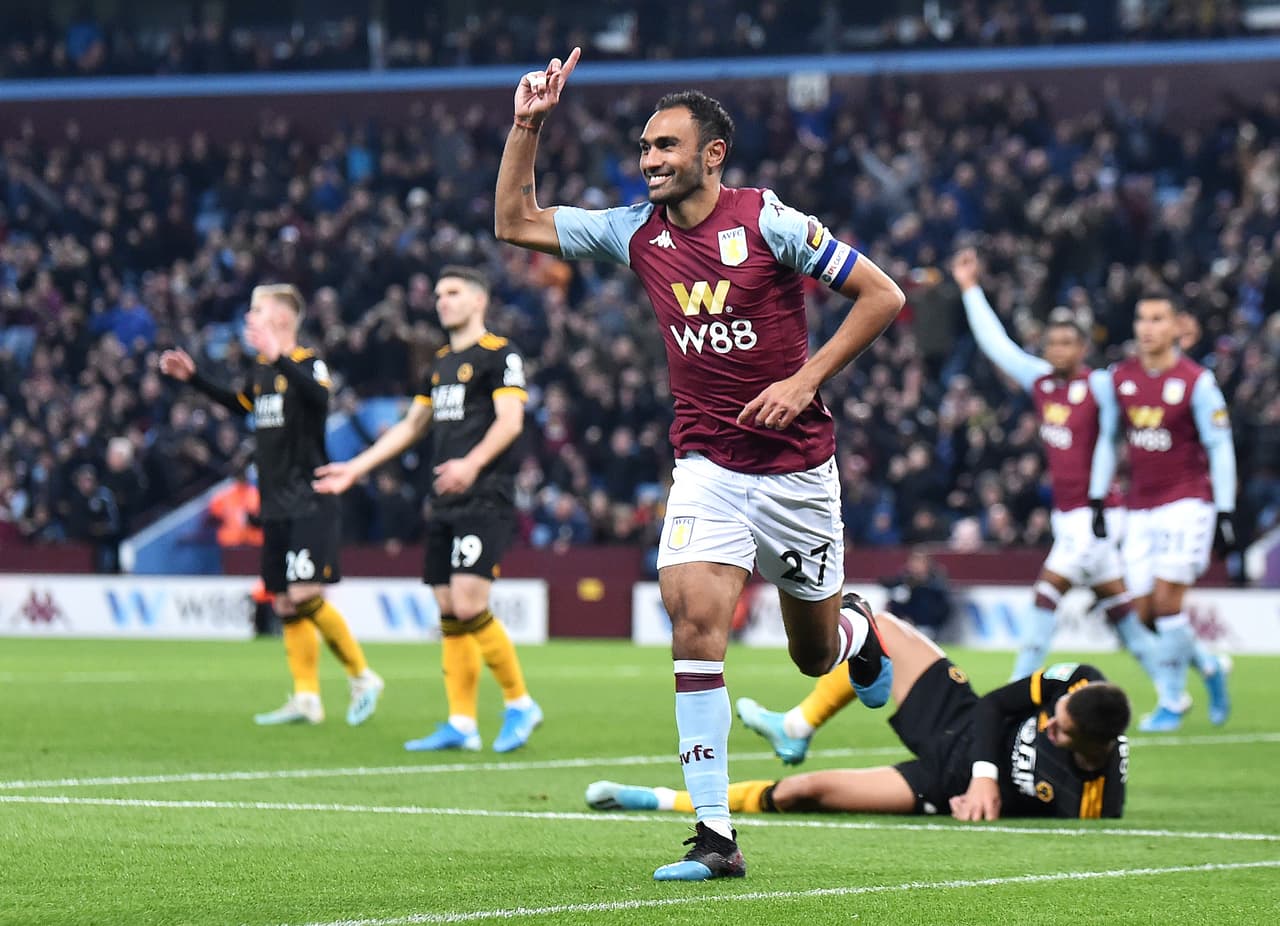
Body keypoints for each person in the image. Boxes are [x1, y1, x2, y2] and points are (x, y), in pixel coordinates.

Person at [494, 49, 905, 880]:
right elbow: (516, 222)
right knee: (691, 625)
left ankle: (858, 633)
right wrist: (526, 125)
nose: (649, 161)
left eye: (665, 147)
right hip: (707, 466)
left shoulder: (770, 222)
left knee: (812, 657)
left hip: (797, 472)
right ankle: (716, 838)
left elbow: (885, 296)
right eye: (644, 148)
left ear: (711, 154)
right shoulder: (633, 232)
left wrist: (805, 379)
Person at [589, 605, 1130, 822]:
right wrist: (990, 776)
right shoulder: (1076, 681)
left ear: (1095, 748)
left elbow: (1026, 810)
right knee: (871, 621)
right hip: (959, 718)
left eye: (1060, 731)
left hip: (942, 784)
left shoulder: (1093, 799)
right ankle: (796, 726)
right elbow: (996, 705)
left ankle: (659, 800)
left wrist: (979, 799)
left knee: (804, 793)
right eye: (1053, 715)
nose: (1049, 725)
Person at [313, 267, 542, 754]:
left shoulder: (500, 355)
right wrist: (354, 468)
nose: (442, 301)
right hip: (444, 498)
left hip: (485, 495)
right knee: (447, 611)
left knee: (468, 603)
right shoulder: (438, 365)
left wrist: (472, 464)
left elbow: (511, 421)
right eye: (438, 294)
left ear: (478, 301)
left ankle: (520, 703)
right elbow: (410, 427)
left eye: (453, 293)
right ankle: (461, 722)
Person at [160, 284, 383, 726]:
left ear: (281, 319)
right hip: (275, 504)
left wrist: (279, 354)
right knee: (283, 603)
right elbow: (241, 403)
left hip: (310, 500)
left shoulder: (307, 363)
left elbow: (320, 399)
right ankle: (306, 698)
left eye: (256, 311)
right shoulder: (261, 372)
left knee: (304, 595)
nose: (248, 319)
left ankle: (362, 676)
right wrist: (195, 379)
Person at [951, 248, 1158, 683]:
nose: (1058, 350)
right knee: (1122, 613)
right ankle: (1190, 676)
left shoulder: (1099, 385)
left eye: (1067, 342)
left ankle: (1014, 691)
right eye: (1052, 343)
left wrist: (1100, 499)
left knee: (1045, 594)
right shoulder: (1041, 381)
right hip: (1069, 517)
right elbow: (997, 346)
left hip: (1097, 514)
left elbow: (1108, 442)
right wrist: (971, 289)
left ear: (1083, 347)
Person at [1088, 293, 1237, 732]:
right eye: (1142, 318)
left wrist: (1225, 510)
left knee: (1168, 603)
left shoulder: (1197, 381)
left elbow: (1219, 446)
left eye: (1158, 319)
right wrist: (1098, 497)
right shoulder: (1121, 378)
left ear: (1177, 327)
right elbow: (1109, 438)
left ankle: (1172, 700)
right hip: (1139, 508)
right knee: (1144, 611)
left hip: (1187, 501)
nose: (1148, 327)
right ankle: (1207, 666)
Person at [879, 549, 953, 640]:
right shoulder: (902, 582)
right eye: (913, 562)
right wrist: (902, 617)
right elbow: (894, 603)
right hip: (903, 624)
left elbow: (942, 608)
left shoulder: (935, 585)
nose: (915, 566)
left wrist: (928, 621)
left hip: (927, 626)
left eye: (919, 563)